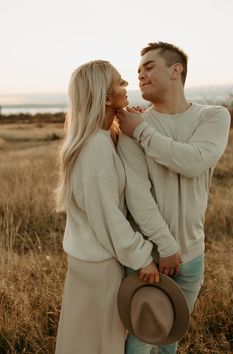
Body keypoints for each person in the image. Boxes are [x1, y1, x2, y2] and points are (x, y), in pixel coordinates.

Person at [117, 42, 231, 354]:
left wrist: (142, 133)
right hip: (148, 259)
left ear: (176, 70)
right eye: (139, 70)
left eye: (149, 67)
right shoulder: (131, 123)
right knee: (139, 341)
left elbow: (194, 160)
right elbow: (137, 196)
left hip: (193, 255)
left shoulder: (213, 116)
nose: (140, 75)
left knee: (169, 341)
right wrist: (165, 248)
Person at [54, 60, 159, 354]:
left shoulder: (99, 139)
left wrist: (132, 127)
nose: (127, 86)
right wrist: (142, 258)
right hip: (99, 265)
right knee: (100, 343)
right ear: (105, 96)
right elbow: (109, 219)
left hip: (88, 260)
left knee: (82, 339)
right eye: (120, 82)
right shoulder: (96, 151)